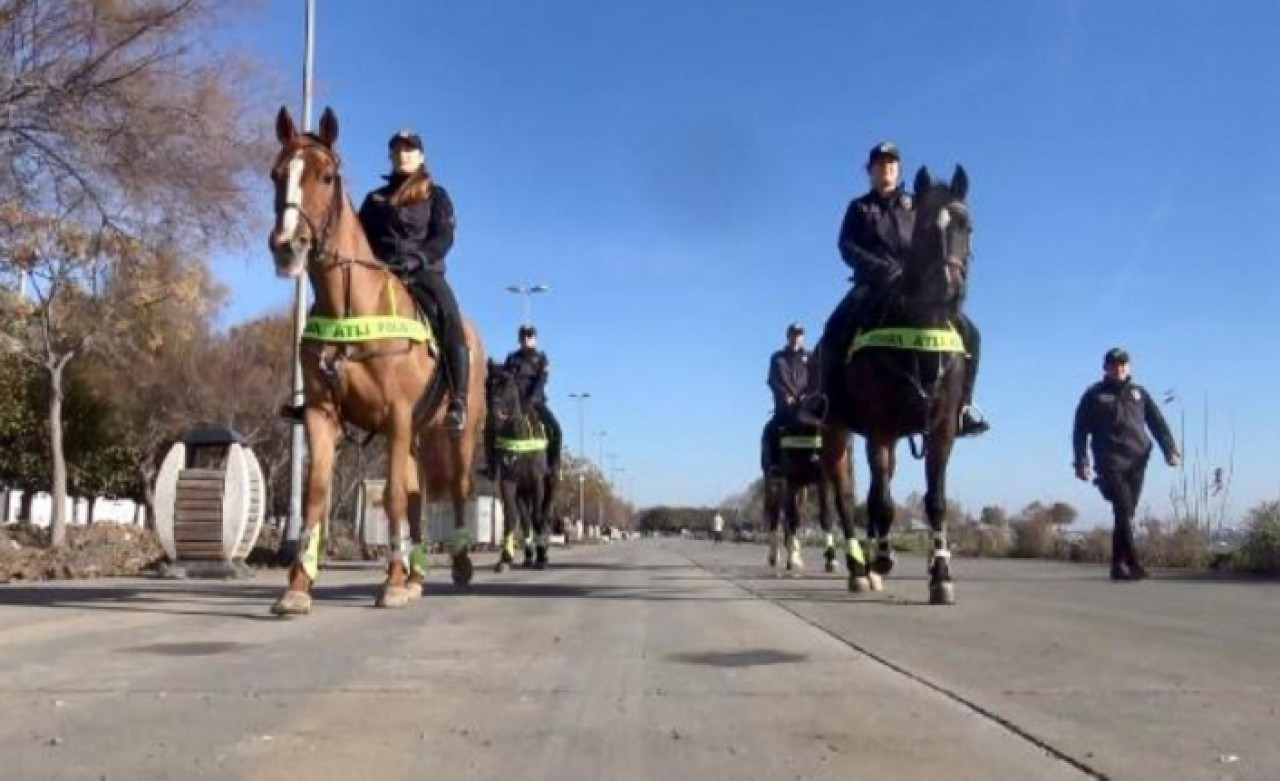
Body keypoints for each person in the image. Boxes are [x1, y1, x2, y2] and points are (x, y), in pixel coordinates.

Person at [820, 141, 989, 436]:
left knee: (971, 334)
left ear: (899, 171)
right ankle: (824, 402)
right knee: (833, 328)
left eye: (891, 164)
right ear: (870, 171)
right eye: (880, 164)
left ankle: (963, 408)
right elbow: (846, 246)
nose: (886, 168)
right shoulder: (859, 207)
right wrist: (879, 269)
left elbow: (934, 241)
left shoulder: (918, 206)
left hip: (915, 286)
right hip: (871, 285)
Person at [358, 128, 469, 431]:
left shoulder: (436, 193)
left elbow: (444, 237)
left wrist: (418, 258)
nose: (402, 155)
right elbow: (356, 236)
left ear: (421, 156)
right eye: (396, 150)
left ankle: (458, 399)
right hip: (379, 272)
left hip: (423, 271)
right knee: (332, 303)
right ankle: (319, 393)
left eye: (409, 150)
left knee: (450, 315)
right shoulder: (374, 198)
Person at [1073, 348, 1181, 581]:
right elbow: (1080, 430)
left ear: (1129, 367)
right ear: (1105, 368)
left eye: (1122, 364)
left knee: (1126, 512)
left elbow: (1157, 422)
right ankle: (1132, 562)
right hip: (1109, 459)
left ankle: (1116, 565)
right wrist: (1082, 461)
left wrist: (1169, 450)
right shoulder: (1094, 395)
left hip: (1138, 459)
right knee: (1122, 507)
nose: (1118, 368)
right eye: (1113, 364)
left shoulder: (1139, 394)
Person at [494, 324, 563, 474]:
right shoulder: (511, 358)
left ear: (535, 339)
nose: (526, 338)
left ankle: (554, 466)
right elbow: (504, 381)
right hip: (513, 404)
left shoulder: (541, 359)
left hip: (535, 403)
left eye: (530, 335)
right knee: (491, 427)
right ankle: (492, 466)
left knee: (556, 430)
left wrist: (531, 400)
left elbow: (541, 380)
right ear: (519, 339)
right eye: (523, 336)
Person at [762, 323, 811, 477]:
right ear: (788, 336)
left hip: (806, 408)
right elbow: (772, 380)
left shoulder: (810, 357)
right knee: (770, 431)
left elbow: (816, 380)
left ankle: (820, 461)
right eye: (793, 334)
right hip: (784, 409)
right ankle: (774, 466)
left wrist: (806, 395)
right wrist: (784, 396)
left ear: (802, 337)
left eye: (799, 335)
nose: (796, 338)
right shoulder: (777, 358)